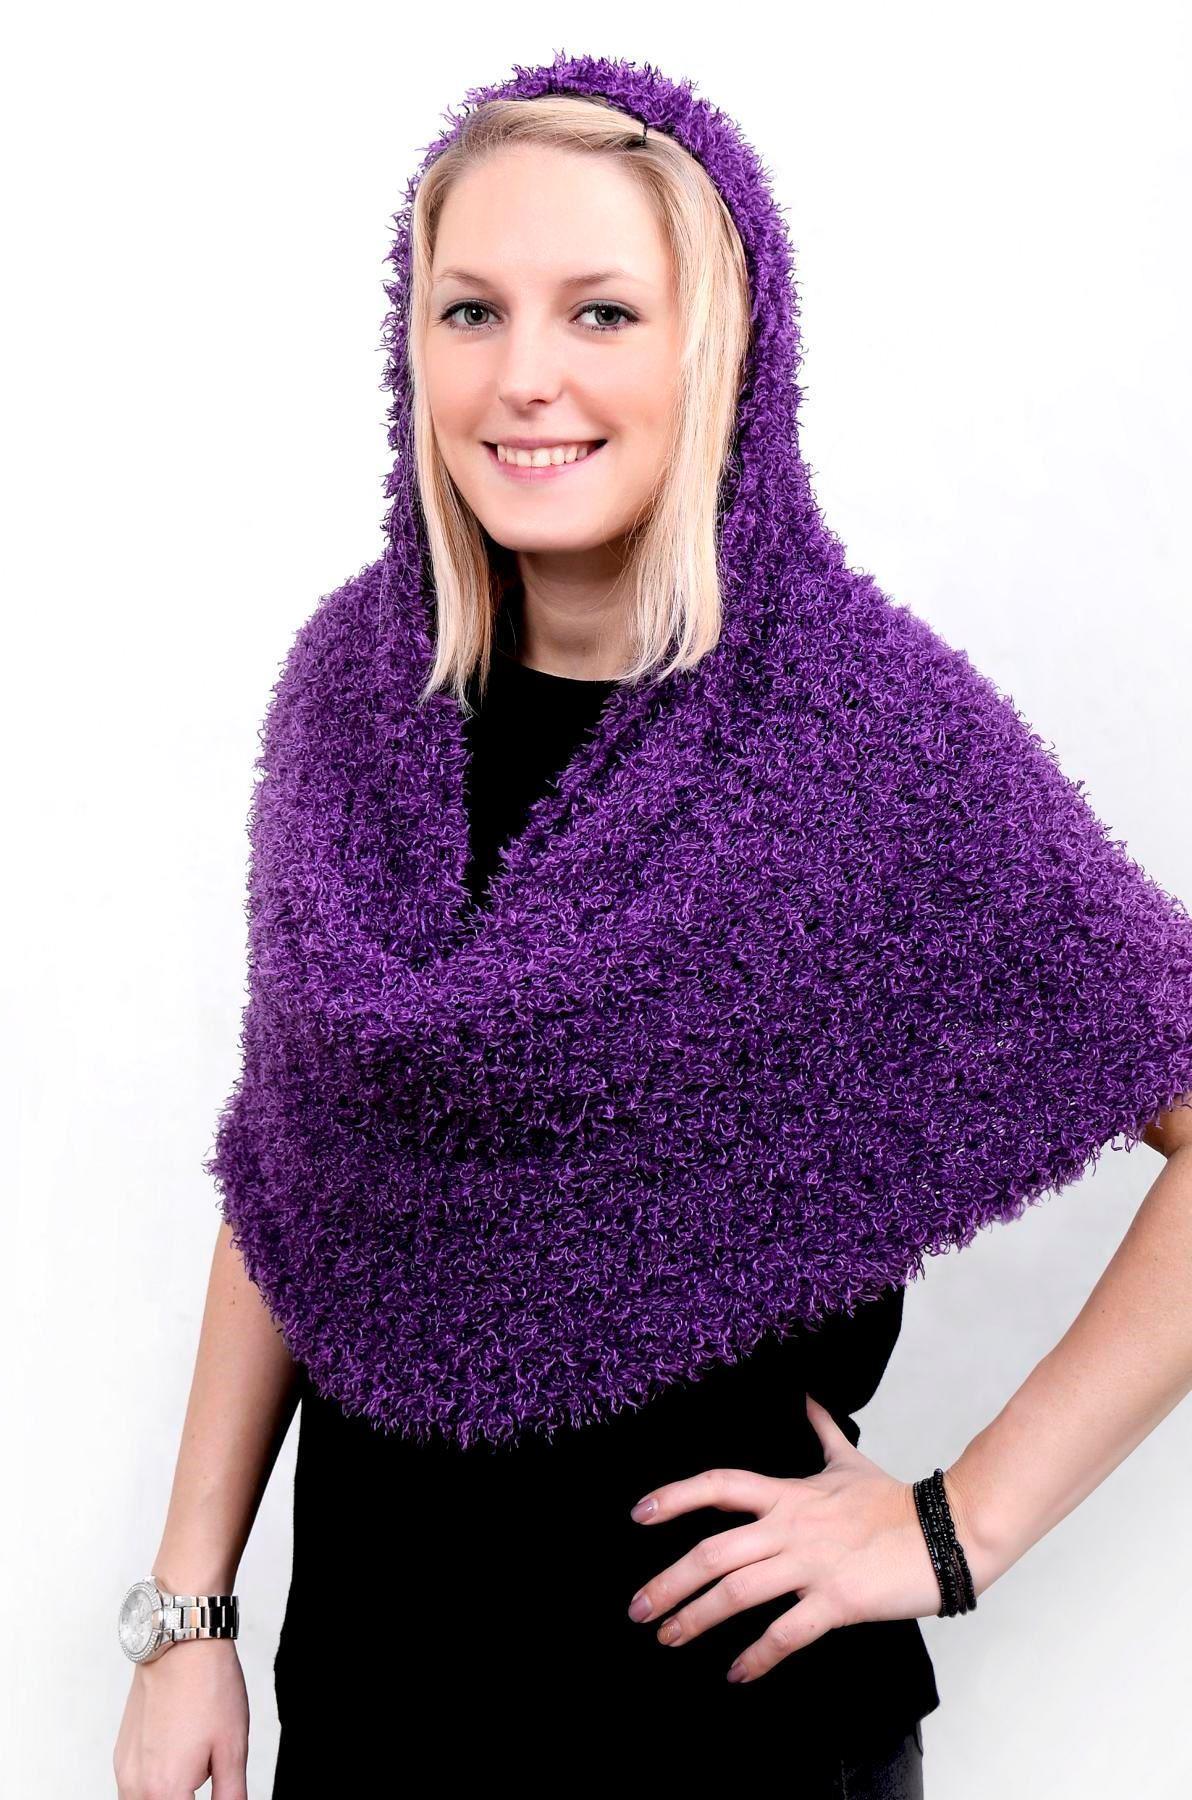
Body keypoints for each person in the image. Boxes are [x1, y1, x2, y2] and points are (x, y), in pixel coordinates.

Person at [114, 53, 1192, 1800]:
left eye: (602, 310)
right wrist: (189, 1614)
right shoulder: (351, 699)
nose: (523, 377)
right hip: (379, 1697)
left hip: (730, 1727)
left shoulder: (864, 737)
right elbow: (297, 1176)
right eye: (472, 309)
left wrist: (960, 1525)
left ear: (723, 349)